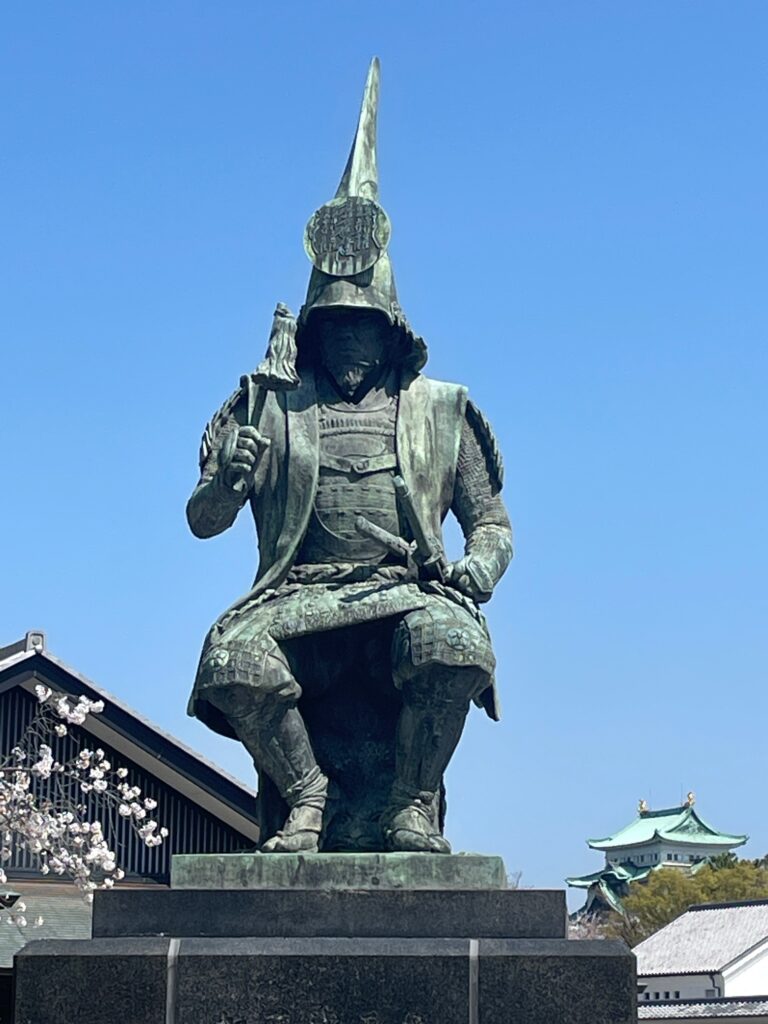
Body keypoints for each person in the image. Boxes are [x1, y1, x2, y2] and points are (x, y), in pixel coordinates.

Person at [187, 59, 512, 854]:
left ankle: (411, 802)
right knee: (230, 658)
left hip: (406, 589)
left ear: (392, 330)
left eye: (363, 325)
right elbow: (203, 519)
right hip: (297, 595)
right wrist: (230, 480)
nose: (349, 341)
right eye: (334, 327)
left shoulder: (441, 409)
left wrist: (479, 568)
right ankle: (307, 795)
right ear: (312, 332)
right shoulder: (268, 404)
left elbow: (492, 523)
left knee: (456, 644)